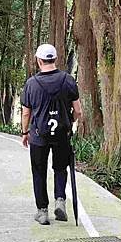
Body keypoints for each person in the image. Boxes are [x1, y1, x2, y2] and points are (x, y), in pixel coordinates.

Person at [20, 44, 82, 225]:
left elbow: (26, 113)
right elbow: (78, 110)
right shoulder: (68, 80)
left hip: (39, 136)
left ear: (39, 60)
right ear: (55, 59)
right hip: (62, 134)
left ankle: (42, 211)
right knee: (60, 168)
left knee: (39, 172)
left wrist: (25, 133)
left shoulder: (31, 83)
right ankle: (60, 200)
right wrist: (71, 121)